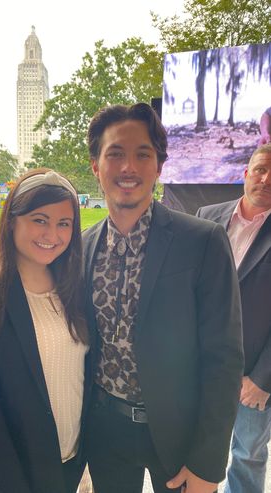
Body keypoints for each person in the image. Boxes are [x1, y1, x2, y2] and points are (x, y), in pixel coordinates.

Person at [82, 103, 244, 493]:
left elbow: (224, 358)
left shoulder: (202, 241)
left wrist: (208, 464)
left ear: (159, 167)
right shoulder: (81, 247)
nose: (128, 167)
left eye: (143, 154)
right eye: (115, 153)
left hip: (179, 436)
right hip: (105, 434)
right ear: (95, 166)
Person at [0, 168, 90, 493]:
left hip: (70, 462)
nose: (52, 234)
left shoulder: (74, 287)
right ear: (12, 220)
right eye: (39, 220)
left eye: (63, 223)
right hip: (15, 473)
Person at [197, 143, 271, 493]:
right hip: (197, 366)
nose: (266, 179)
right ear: (246, 173)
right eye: (260, 169)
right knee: (189, 444)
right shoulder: (205, 216)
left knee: (247, 455)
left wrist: (264, 378)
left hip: (253, 377)